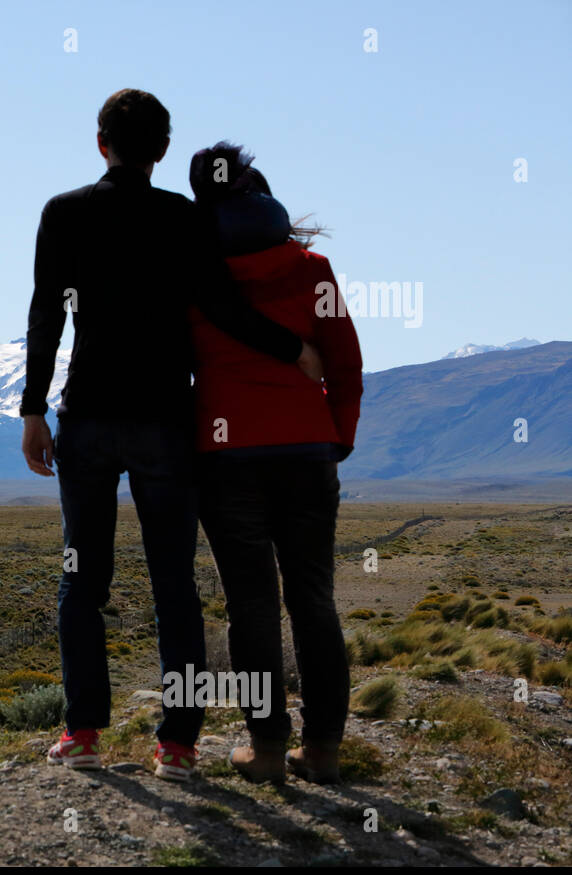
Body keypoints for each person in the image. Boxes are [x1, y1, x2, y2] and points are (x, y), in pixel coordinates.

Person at [19, 90, 323, 778]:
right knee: (173, 586)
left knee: (81, 579)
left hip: (88, 418)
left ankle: (83, 736)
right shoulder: (183, 219)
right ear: (160, 150)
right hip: (163, 421)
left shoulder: (63, 214)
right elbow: (221, 308)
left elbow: (46, 313)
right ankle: (178, 745)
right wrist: (293, 350)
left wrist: (32, 408)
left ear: (102, 144)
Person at [187, 142, 363, 785]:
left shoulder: (197, 272)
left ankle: (265, 750)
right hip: (306, 451)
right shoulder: (312, 268)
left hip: (226, 454)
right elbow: (344, 361)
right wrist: (335, 437)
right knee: (313, 599)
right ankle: (322, 750)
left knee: (251, 606)